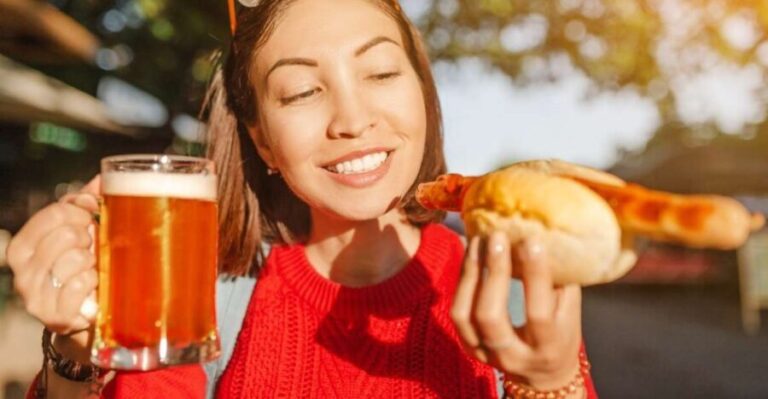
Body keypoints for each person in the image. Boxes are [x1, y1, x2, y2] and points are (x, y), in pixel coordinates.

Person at [7, 0, 598, 397]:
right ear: (262, 138)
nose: (352, 119)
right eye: (303, 91)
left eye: (382, 74)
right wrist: (76, 351)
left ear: (423, 92)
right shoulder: (199, 299)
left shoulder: (507, 286)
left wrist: (549, 380)